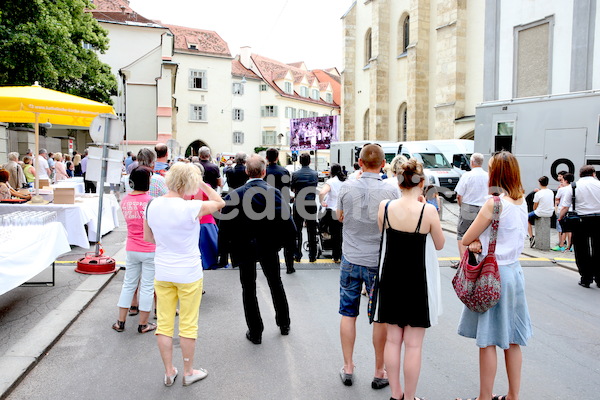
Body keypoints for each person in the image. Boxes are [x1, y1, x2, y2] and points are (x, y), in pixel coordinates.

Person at [456, 150, 532, 400]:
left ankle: (484, 397)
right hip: (514, 274)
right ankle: (513, 396)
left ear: (496, 174)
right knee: (512, 339)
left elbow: (467, 237)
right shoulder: (522, 202)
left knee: (487, 340)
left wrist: (476, 241)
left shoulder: (494, 203)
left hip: (493, 275)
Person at [144, 162, 225, 387]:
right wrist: (203, 184)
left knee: (164, 324)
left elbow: (148, 238)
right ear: (189, 183)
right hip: (188, 271)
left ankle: (169, 371)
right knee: (188, 324)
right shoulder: (192, 207)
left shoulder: (152, 205)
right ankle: (189, 371)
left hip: (163, 269)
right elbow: (220, 202)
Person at [374, 159, 445, 400]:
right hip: (417, 280)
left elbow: (382, 229)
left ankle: (396, 394)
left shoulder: (385, 206)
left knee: (393, 341)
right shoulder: (429, 211)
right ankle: (411, 396)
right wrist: (425, 207)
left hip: (391, 277)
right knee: (414, 345)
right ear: (422, 183)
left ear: (398, 180)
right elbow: (439, 243)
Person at [336, 143, 399, 389]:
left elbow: (340, 216)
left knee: (347, 312)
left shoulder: (346, 187)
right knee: (379, 317)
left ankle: (349, 367)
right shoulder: (391, 192)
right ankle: (379, 370)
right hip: (377, 261)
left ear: (360, 163)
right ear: (383, 164)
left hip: (351, 258)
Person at [219, 155, 296, 345]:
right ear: (264, 172)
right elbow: (287, 221)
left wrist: (223, 254)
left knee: (248, 288)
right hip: (269, 245)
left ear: (246, 172)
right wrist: (288, 245)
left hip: (243, 246)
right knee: (275, 283)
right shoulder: (273, 192)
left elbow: (224, 227)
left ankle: (255, 331)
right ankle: (284, 323)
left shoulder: (234, 195)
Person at [112, 167, 157, 334]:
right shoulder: (151, 201)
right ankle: (143, 324)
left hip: (131, 247)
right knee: (147, 286)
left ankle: (120, 321)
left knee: (129, 284)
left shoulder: (125, 201)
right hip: (150, 248)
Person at [559, 165, 600, 288]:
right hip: (599, 219)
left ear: (580, 174)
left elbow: (565, 206)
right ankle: (599, 278)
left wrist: (560, 217)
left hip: (581, 220)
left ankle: (586, 278)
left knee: (582, 249)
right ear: (593, 174)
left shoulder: (574, 186)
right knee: (598, 248)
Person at [264, 147, 295, 273]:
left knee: (269, 238)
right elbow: (288, 188)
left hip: (267, 208)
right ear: (277, 158)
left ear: (267, 158)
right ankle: (289, 266)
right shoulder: (284, 171)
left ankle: (272, 266)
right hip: (282, 206)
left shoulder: (264, 171)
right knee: (289, 238)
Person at [454, 153, 488, 259]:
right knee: (481, 234)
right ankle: (479, 260)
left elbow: (459, 195)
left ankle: (464, 261)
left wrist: (461, 206)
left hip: (468, 207)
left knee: (462, 234)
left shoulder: (467, 175)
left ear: (472, 162)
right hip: (484, 208)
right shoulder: (488, 176)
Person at [291, 153, 319, 262]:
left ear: (300, 161)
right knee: (311, 230)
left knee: (297, 230)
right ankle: (312, 255)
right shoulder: (314, 174)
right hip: (311, 203)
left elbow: (292, 188)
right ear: (309, 161)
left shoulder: (295, 174)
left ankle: (297, 255)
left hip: (299, 203)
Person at [318, 163, 346, 263]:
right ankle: (344, 255)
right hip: (344, 210)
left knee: (335, 234)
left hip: (333, 211)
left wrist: (322, 201)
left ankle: (336, 256)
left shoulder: (331, 181)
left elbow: (322, 193)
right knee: (342, 234)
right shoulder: (345, 181)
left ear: (332, 171)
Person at [527, 176, 554, 247]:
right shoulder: (551, 192)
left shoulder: (538, 194)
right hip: (550, 213)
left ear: (539, 183)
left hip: (540, 212)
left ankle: (531, 236)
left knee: (525, 217)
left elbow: (535, 206)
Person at [553, 172, 573, 251]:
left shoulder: (561, 189)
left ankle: (561, 245)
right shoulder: (574, 188)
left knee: (561, 229)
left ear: (565, 180)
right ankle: (570, 246)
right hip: (572, 210)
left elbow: (557, 200)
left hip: (562, 209)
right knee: (570, 230)